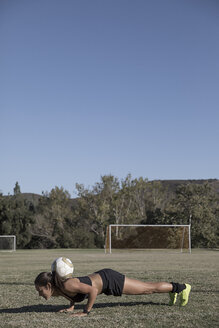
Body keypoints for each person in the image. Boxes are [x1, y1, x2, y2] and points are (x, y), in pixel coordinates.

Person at [35, 268, 191, 317]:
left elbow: (92, 290)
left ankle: (182, 287)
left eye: (40, 290)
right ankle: (174, 291)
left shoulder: (67, 284)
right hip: (105, 279)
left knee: (147, 288)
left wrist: (85, 312)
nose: (39, 294)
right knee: (147, 288)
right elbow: (74, 294)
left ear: (48, 285)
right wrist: (71, 307)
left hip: (110, 279)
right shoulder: (59, 287)